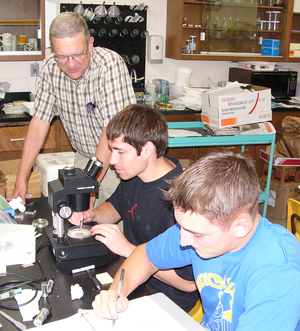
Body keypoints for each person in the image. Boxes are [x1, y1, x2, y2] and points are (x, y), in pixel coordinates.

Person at [92, 150, 300, 331]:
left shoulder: (277, 271)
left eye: (197, 234)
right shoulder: (197, 229)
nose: (183, 241)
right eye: (182, 227)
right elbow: (145, 255)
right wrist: (116, 294)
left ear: (241, 227)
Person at [69, 104, 199, 312]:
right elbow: (116, 207)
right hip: (131, 276)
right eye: (112, 151)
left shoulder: (181, 198)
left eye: (120, 152)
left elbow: (189, 285)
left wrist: (127, 248)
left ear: (147, 149)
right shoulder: (134, 174)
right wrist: (92, 214)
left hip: (167, 299)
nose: (111, 161)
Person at [12, 12, 135, 210]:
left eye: (78, 54)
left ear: (90, 43)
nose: (71, 64)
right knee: (78, 223)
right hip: (84, 156)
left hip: (116, 159)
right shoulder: (50, 68)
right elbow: (39, 123)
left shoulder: (109, 65)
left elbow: (113, 129)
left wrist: (89, 186)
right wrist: (21, 178)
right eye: (62, 56)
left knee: (110, 225)